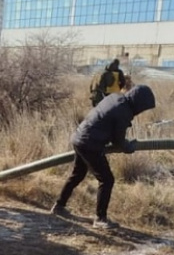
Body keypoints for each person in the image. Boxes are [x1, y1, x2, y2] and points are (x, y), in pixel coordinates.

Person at [51, 84, 156, 229]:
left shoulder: (115, 97)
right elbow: (118, 141)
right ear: (139, 102)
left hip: (79, 138)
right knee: (107, 180)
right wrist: (128, 147)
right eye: (143, 107)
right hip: (90, 144)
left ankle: (59, 206)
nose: (142, 111)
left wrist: (122, 143)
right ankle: (100, 219)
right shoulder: (123, 112)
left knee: (77, 174)